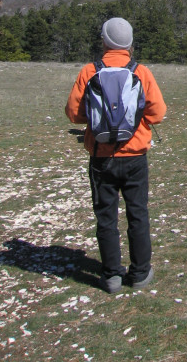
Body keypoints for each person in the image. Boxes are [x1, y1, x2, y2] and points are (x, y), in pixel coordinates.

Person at [65, 17, 167, 293]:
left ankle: (111, 276)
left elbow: (74, 114)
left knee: (106, 218)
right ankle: (140, 272)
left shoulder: (89, 71)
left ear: (104, 41)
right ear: (130, 44)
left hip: (101, 158)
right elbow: (157, 113)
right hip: (135, 157)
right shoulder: (140, 71)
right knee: (138, 214)